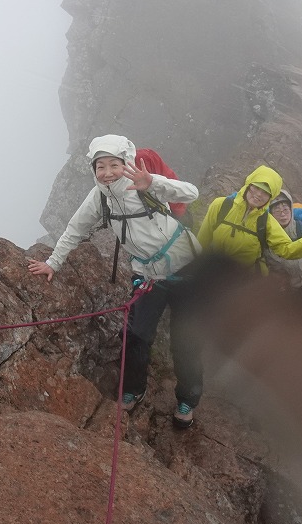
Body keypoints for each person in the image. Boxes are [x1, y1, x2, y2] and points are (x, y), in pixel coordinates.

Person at [28, 135, 203, 428]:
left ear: (126, 162)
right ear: (93, 170)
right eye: (101, 166)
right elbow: (74, 229)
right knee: (136, 335)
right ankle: (134, 388)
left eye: (114, 164)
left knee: (185, 341)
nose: (107, 172)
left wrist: (153, 183)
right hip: (150, 275)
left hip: (188, 270)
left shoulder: (143, 183)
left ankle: (188, 400)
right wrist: (52, 263)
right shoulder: (99, 197)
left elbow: (191, 193)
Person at [197, 165, 302, 272]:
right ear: (248, 185)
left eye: (265, 192)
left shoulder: (266, 221)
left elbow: (286, 250)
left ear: (270, 197)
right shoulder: (221, 205)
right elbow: (202, 241)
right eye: (256, 187)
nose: (258, 194)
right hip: (213, 273)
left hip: (242, 282)